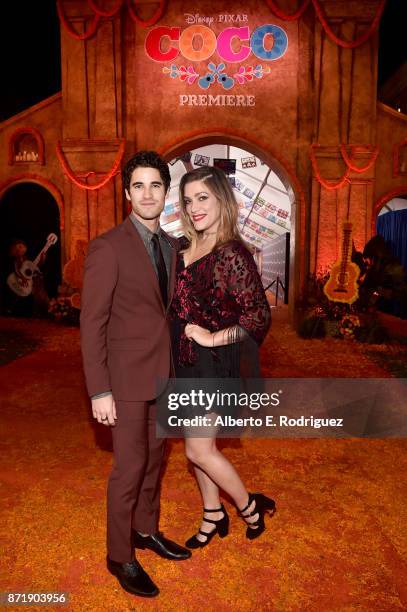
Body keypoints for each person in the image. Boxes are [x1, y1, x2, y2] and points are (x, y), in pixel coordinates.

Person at [80, 151, 191, 599]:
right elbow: (93, 324)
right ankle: (119, 554)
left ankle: (146, 531)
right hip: (123, 381)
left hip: (162, 377)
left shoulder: (169, 245)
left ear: (167, 193)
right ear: (127, 193)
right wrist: (99, 389)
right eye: (139, 186)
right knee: (128, 470)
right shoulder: (108, 247)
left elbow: (165, 313)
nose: (148, 194)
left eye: (156, 186)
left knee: (155, 463)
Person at [169, 166, 275, 548]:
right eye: (188, 200)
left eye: (203, 198)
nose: (194, 207)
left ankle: (249, 507)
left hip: (214, 366)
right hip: (184, 362)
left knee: (199, 448)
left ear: (221, 201)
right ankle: (212, 513)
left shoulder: (231, 254)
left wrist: (213, 338)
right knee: (196, 445)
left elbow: (258, 316)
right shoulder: (183, 248)